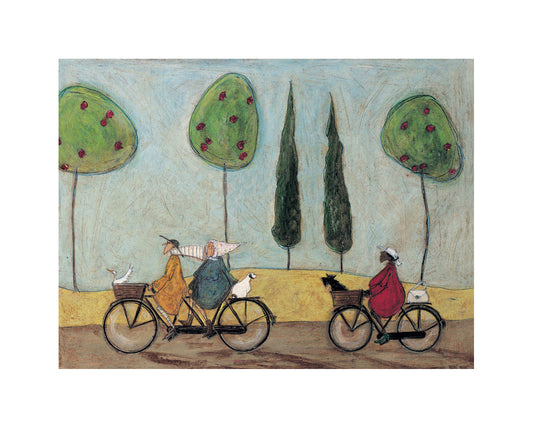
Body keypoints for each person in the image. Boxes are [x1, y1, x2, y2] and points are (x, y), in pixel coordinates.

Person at [189, 240, 238, 337]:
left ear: (216, 249)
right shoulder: (208, 260)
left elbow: (224, 274)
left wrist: (232, 284)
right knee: (191, 297)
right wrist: (193, 285)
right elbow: (198, 274)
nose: (209, 250)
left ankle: (207, 323)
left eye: (211, 247)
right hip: (205, 289)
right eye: (208, 247)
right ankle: (190, 319)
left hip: (214, 291)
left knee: (194, 299)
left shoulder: (218, 261)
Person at [149, 236, 190, 340]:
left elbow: (167, 276)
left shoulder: (173, 258)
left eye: (167, 245)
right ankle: (171, 326)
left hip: (175, 288)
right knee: (158, 304)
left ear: (172, 246)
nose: (165, 247)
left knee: (159, 301)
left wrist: (155, 285)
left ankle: (171, 327)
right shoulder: (173, 257)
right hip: (173, 286)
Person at [366, 246, 406, 345]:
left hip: (393, 297)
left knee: (374, 308)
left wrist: (371, 291)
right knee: (373, 309)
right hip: (393, 295)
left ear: (388, 256)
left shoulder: (389, 268)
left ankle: (384, 333)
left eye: (383, 253)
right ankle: (383, 332)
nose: (381, 254)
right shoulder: (390, 267)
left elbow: (381, 282)